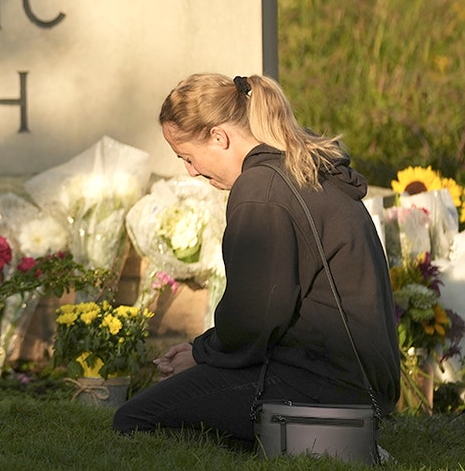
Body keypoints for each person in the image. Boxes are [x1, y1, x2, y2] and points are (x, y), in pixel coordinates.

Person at [113, 73, 401, 449]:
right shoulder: (305, 169)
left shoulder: (260, 190)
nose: (191, 171)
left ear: (219, 137)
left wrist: (202, 356)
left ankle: (311, 444)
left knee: (133, 420)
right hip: (356, 385)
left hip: (323, 387)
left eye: (186, 156)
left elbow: (255, 317)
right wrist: (205, 351)